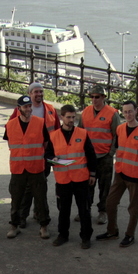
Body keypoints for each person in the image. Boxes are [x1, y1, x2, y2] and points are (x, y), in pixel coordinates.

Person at [97, 100, 138, 247]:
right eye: (125, 112)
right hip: (120, 173)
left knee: (133, 207)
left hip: (135, 175)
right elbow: (118, 149)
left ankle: (130, 235)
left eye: (130, 111)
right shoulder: (120, 129)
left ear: (136, 111)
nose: (128, 114)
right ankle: (112, 231)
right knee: (110, 202)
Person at [46, 104, 97, 249]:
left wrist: (92, 173)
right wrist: (52, 159)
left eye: (73, 117)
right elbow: (47, 154)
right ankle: (63, 235)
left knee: (84, 210)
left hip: (81, 178)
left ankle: (86, 237)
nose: (71, 120)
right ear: (61, 117)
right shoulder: (54, 136)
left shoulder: (82, 133)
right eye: (68, 117)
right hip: (63, 180)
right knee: (64, 210)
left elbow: (91, 155)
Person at [10, 82, 59, 227]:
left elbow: (56, 132)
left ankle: (39, 213)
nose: (39, 94)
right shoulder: (18, 111)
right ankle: (23, 216)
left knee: (40, 187)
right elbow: (12, 131)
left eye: (41, 91)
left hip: (43, 154)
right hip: (25, 157)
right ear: (30, 94)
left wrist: (53, 153)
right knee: (27, 189)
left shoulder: (50, 109)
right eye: (36, 92)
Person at [3, 95, 51, 240]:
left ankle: (44, 226)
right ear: (19, 109)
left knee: (41, 198)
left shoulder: (40, 123)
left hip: (36, 167)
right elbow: (10, 144)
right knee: (16, 198)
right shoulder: (10, 125)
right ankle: (14, 226)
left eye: (30, 106)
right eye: (25, 107)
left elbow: (46, 143)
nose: (29, 109)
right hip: (18, 168)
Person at [78, 84, 120, 225]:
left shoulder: (112, 113)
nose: (94, 100)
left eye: (97, 97)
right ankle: (85, 210)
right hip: (88, 157)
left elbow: (117, 135)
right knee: (86, 185)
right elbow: (80, 132)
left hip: (104, 157)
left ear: (103, 97)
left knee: (105, 186)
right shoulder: (85, 112)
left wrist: (111, 153)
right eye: (92, 97)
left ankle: (103, 212)